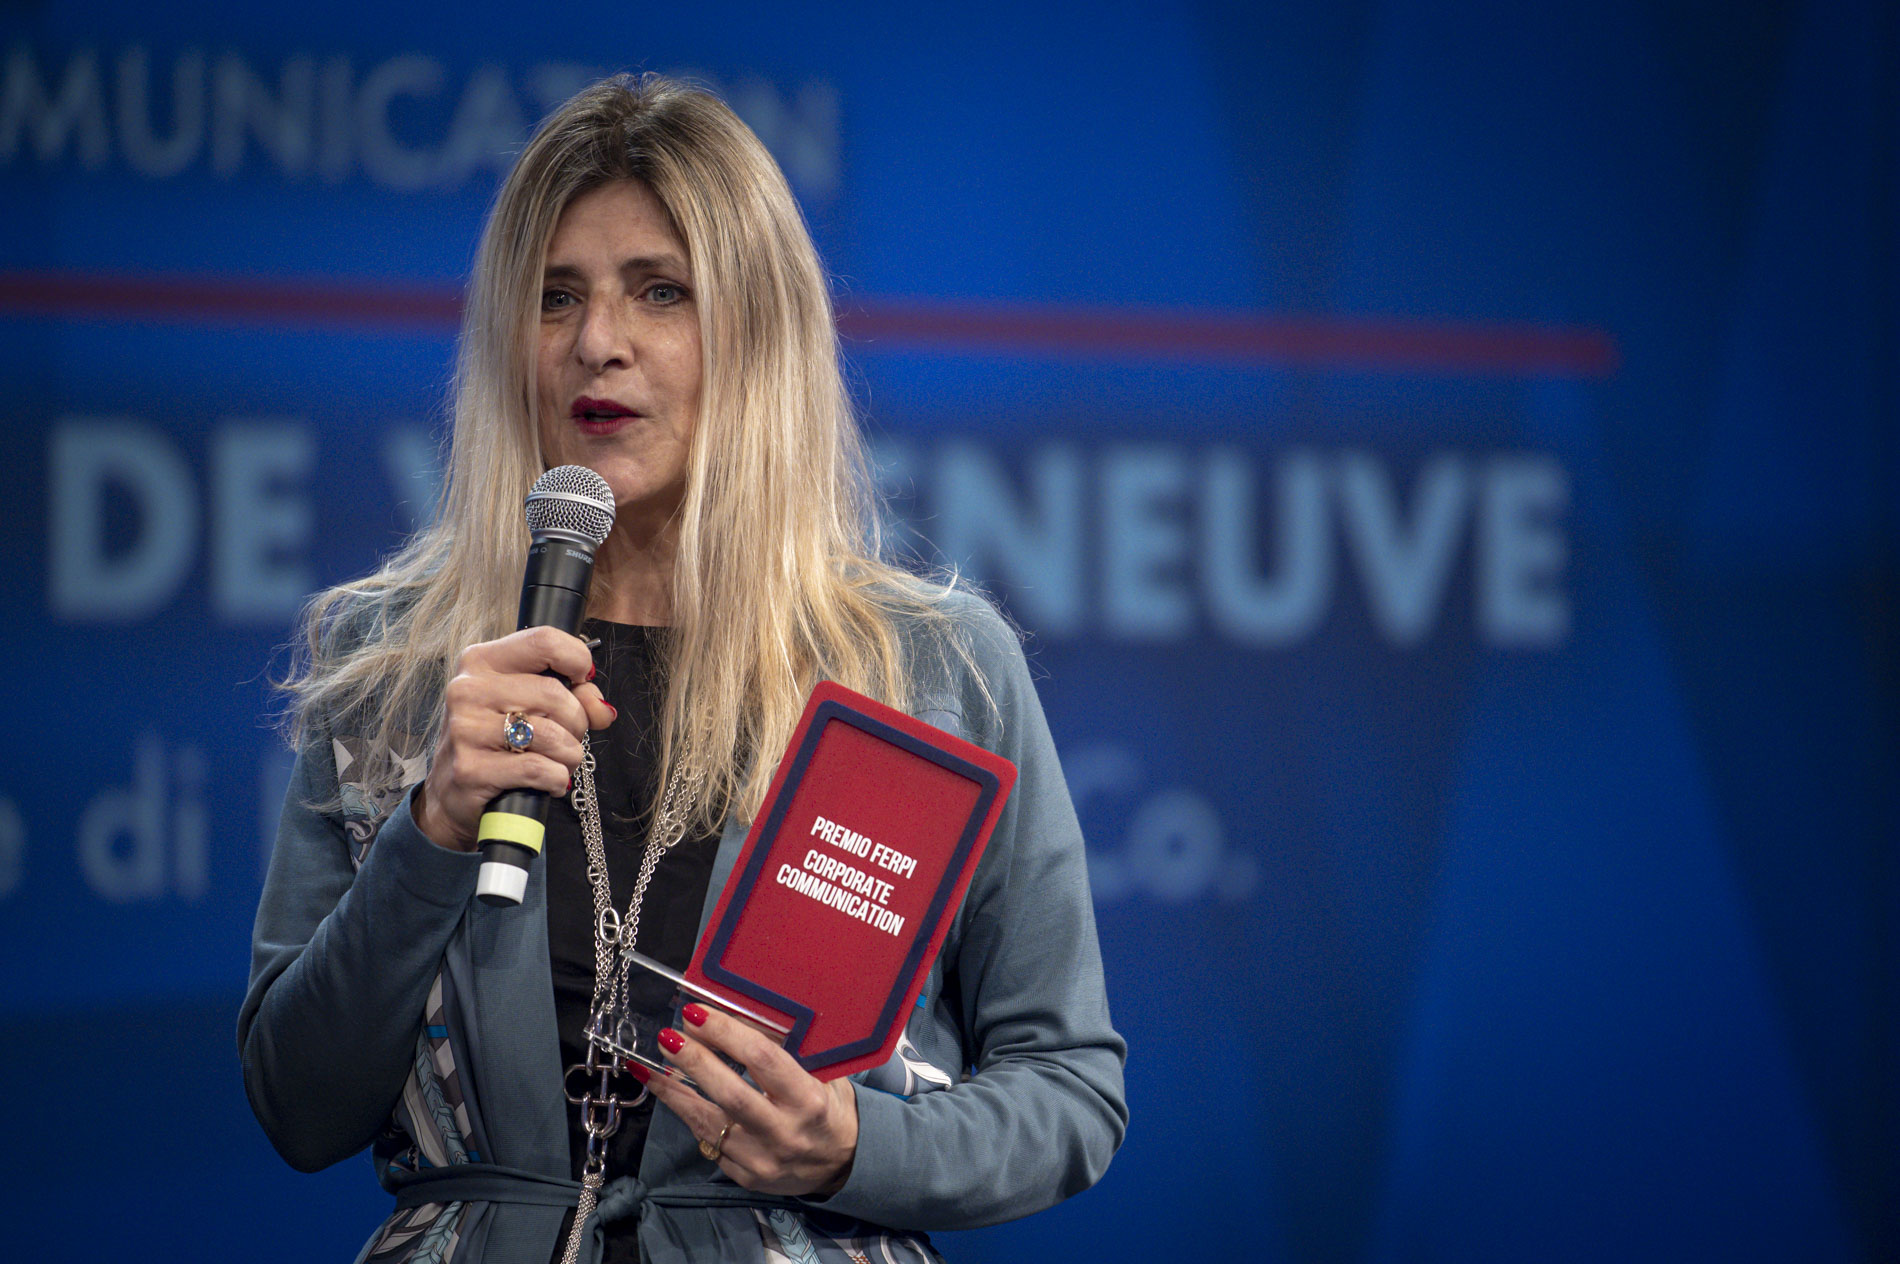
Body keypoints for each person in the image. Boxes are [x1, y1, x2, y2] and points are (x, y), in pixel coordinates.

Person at [239, 73, 1126, 1264]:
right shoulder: (392, 670)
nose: (597, 343)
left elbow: (1069, 1087)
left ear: (758, 332)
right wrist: (431, 829)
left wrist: (856, 1146)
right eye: (556, 296)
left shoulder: (926, 672)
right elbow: (297, 1106)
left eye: (660, 291)